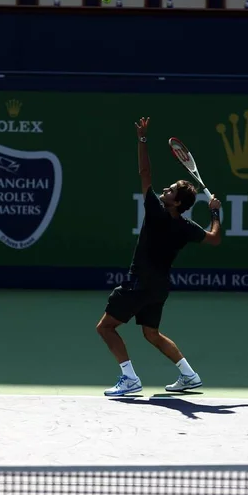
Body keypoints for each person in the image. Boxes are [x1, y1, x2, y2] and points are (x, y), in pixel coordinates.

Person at [96, 117, 222, 396]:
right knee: (151, 333)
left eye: (171, 191)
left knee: (105, 328)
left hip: (139, 283)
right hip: (159, 287)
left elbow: (144, 172)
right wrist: (214, 212)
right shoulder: (186, 227)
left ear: (176, 202)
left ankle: (129, 378)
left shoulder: (156, 211)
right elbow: (214, 239)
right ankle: (189, 375)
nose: (165, 190)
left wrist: (142, 139)